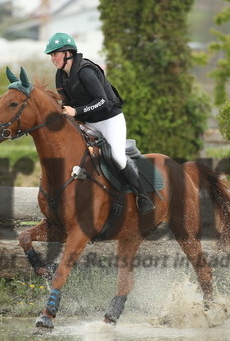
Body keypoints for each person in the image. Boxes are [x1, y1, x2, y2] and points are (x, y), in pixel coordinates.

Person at [44, 32, 155, 215]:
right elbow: (67, 103)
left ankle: (143, 197)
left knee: (117, 157)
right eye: (51, 55)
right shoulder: (61, 75)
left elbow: (102, 101)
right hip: (87, 122)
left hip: (109, 120)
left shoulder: (86, 71)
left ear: (68, 53)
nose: (52, 59)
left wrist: (77, 111)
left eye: (55, 54)